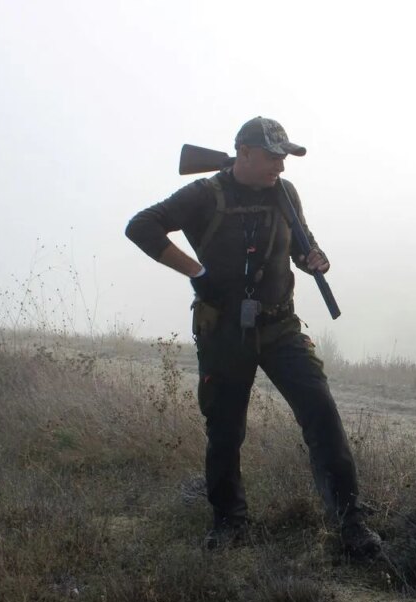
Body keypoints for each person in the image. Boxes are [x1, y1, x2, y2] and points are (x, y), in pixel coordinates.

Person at [125, 116, 381, 557]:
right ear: (242, 152)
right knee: (224, 431)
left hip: (281, 327)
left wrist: (312, 257)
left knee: (322, 416)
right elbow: (141, 226)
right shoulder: (204, 195)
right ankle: (228, 523)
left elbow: (301, 245)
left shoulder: (285, 193)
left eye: (284, 157)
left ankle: (350, 521)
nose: (280, 166)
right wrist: (197, 272)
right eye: (272, 156)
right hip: (224, 329)